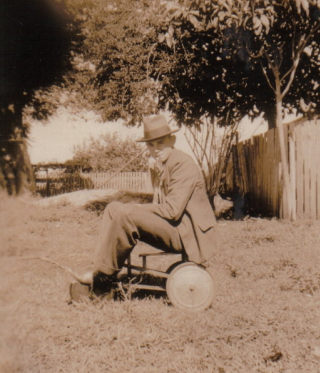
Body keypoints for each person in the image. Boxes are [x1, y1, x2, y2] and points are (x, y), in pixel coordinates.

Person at [69, 115, 219, 301]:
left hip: (190, 234)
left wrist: (135, 208)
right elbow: (162, 207)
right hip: (177, 226)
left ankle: (101, 286)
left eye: (160, 143)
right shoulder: (164, 164)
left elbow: (172, 211)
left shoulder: (182, 163)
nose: (155, 150)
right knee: (113, 208)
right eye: (151, 145)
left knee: (127, 213)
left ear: (172, 140)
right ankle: (100, 270)